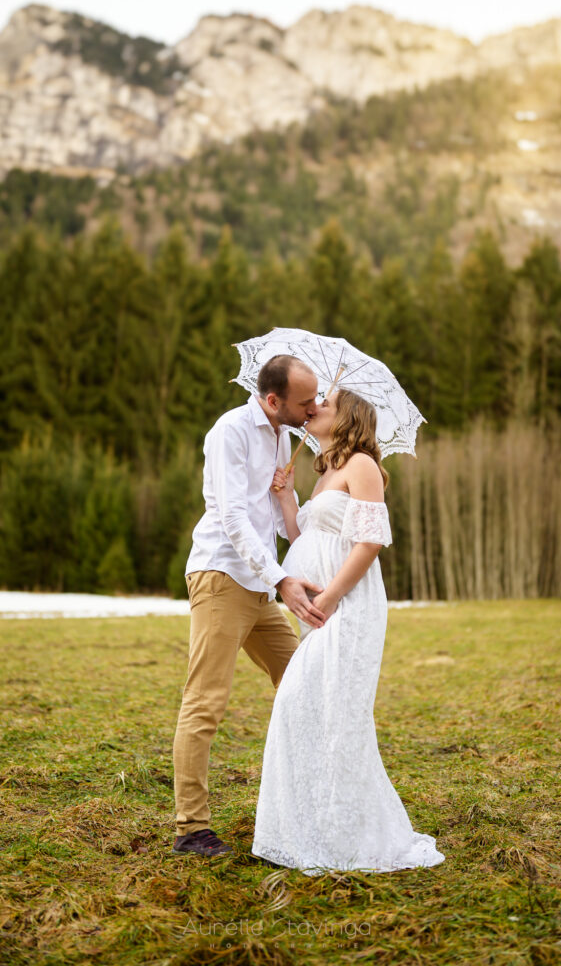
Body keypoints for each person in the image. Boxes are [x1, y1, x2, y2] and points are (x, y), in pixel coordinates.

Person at [252, 388, 446, 874]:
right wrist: (286, 497)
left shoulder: (360, 465)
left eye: (325, 403)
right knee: (313, 709)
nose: (313, 406)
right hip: (321, 609)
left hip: (348, 608)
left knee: (326, 710)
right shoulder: (327, 473)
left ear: (349, 418)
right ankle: (314, 824)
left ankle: (345, 834)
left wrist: (332, 597)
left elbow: (369, 541)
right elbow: (308, 539)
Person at [172, 354, 327, 858]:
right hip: (222, 576)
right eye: (306, 402)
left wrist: (286, 497)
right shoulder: (230, 432)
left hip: (259, 586)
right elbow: (233, 520)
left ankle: (308, 800)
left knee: (301, 679)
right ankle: (192, 829)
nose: (315, 409)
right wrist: (281, 579)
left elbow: (282, 528)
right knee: (206, 702)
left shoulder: (283, 436)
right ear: (273, 399)